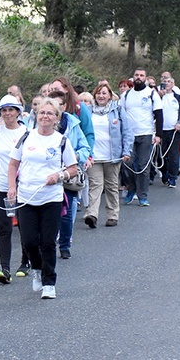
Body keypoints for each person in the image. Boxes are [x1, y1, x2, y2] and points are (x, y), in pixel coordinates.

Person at [8, 97, 78, 299]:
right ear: (36, 115)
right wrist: (12, 187)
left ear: (57, 117)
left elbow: (73, 169)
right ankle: (36, 269)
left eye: (50, 113)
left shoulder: (61, 141)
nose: (45, 116)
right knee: (29, 241)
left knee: (48, 241)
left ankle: (49, 282)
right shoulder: (26, 137)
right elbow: (13, 164)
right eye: (41, 112)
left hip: (51, 198)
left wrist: (59, 176)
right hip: (26, 197)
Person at [50, 78, 94, 259]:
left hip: (69, 173)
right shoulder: (39, 124)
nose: (57, 108)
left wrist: (79, 156)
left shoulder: (74, 123)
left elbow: (85, 145)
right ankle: (49, 240)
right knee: (49, 211)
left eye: (61, 104)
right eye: (54, 105)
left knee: (67, 213)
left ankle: (65, 243)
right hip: (48, 173)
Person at [0, 95, 27, 282]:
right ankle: (5, 269)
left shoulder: (28, 132)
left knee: (26, 227)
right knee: (3, 227)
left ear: (18, 111)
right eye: (4, 110)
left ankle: (25, 262)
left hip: (23, 187)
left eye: (11, 109)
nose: (8, 113)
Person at [83, 83, 133, 228]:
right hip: (94, 155)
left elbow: (127, 132)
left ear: (110, 96)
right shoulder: (88, 111)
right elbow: (83, 130)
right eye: (98, 93)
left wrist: (126, 151)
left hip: (113, 155)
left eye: (104, 93)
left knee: (111, 186)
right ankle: (92, 214)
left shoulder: (117, 110)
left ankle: (112, 215)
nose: (101, 96)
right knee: (95, 185)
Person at [119, 67, 163, 205]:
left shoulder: (151, 94)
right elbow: (120, 115)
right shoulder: (126, 96)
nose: (139, 77)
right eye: (136, 75)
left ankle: (143, 196)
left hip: (146, 133)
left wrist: (158, 135)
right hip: (129, 135)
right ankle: (131, 189)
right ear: (133, 77)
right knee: (128, 164)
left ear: (145, 77)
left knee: (143, 166)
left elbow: (159, 114)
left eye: (142, 75)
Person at [157, 75, 180, 187]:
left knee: (174, 156)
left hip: (174, 131)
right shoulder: (157, 97)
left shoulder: (178, 98)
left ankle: (173, 177)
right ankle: (164, 173)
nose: (167, 83)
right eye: (165, 82)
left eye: (169, 82)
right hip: (161, 131)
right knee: (161, 155)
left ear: (173, 84)